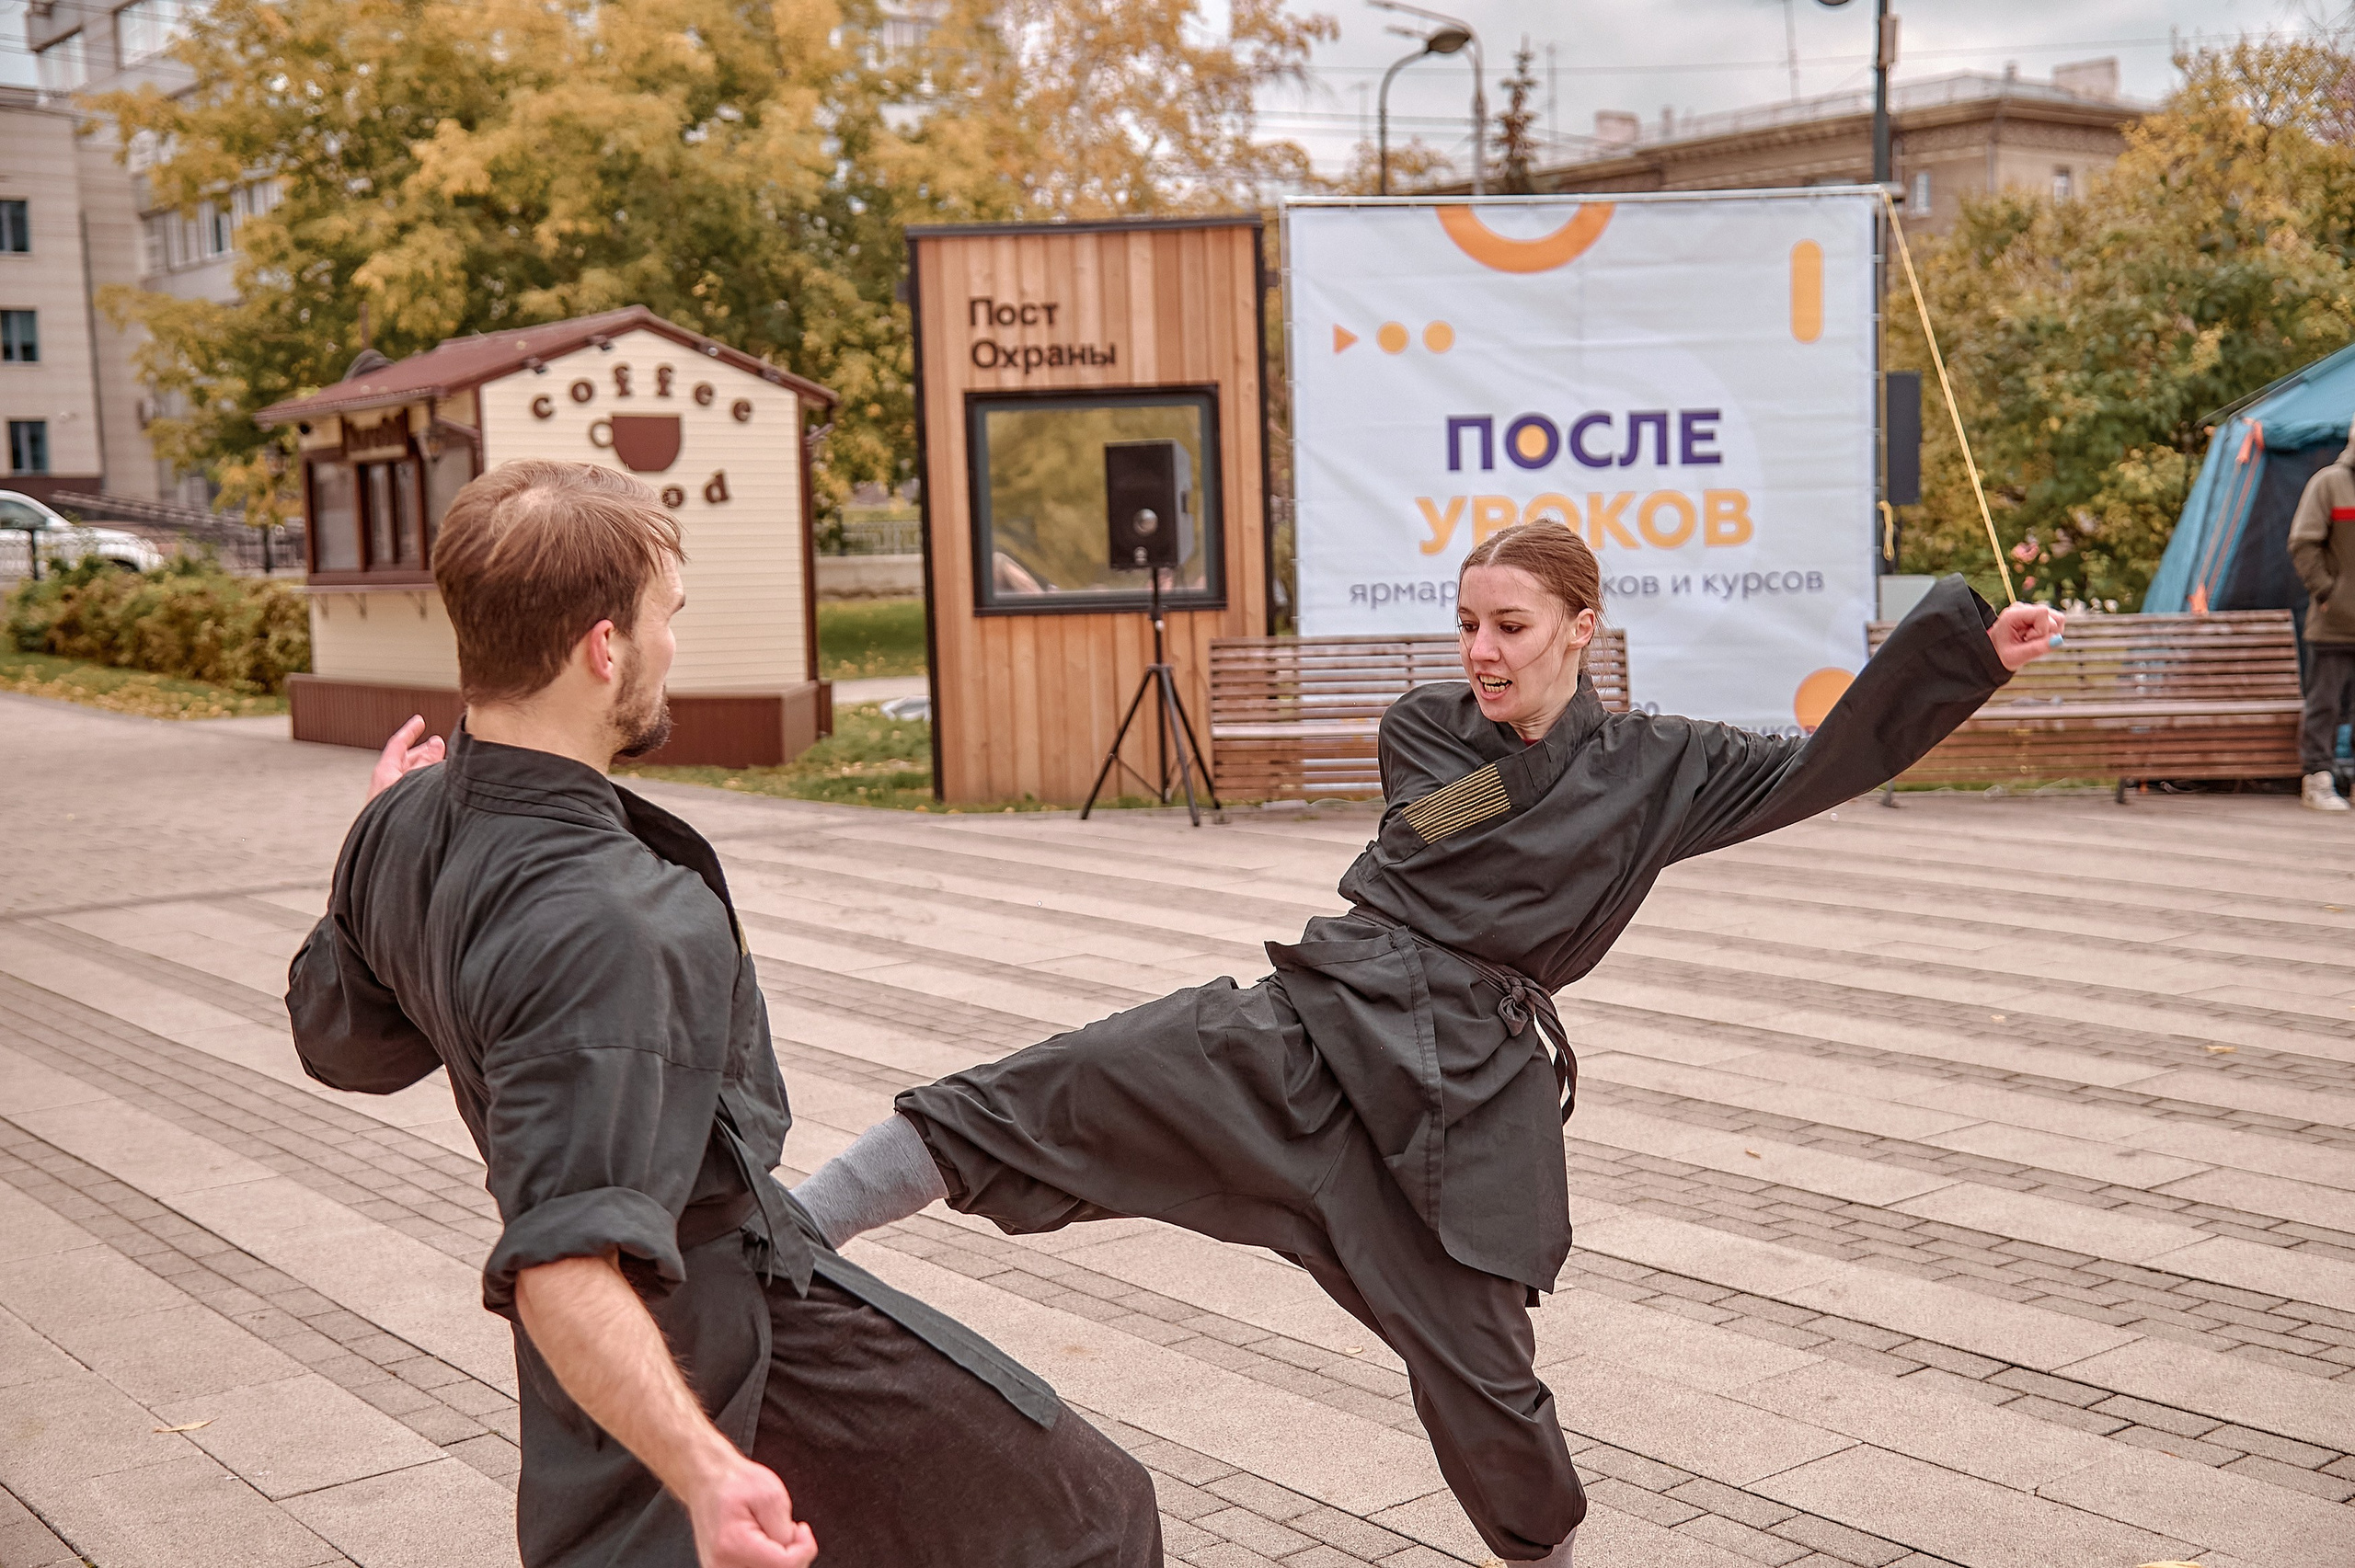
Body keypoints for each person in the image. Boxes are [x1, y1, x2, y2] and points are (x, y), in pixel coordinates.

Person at [792, 522, 2063, 1567]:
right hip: (1314, 1027)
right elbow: (1434, 834)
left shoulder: (1663, 764)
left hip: (1464, 1099)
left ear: (1581, 626)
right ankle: (783, 1236)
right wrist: (1557, 756)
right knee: (1049, 1085)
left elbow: (1821, 763)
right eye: (1467, 624)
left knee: (1485, 1379)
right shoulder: (1425, 726)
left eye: (1510, 626)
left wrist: (1968, 658)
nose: (1481, 651)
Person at [285, 459, 1161, 1568]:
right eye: (668, 616)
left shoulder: (402, 820)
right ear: (604, 648)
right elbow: (563, 1264)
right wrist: (704, 1468)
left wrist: (366, 863)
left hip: (698, 1295)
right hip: (686, 1316)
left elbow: (342, 1046)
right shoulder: (611, 919)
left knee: (1071, 1507)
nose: (671, 646)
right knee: (1089, 1522)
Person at [2290, 417, 2355, 812]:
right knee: (2325, 705)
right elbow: (2303, 543)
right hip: (2334, 624)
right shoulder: (2329, 483)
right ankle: (2317, 779)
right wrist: (2328, 592)